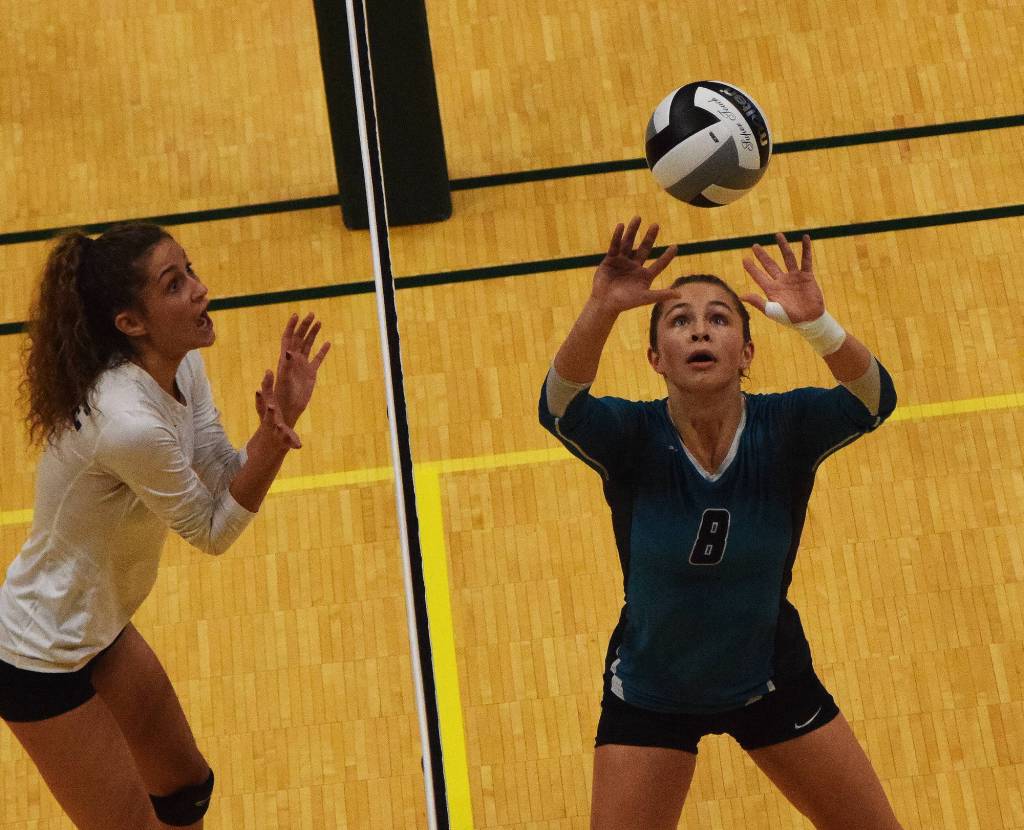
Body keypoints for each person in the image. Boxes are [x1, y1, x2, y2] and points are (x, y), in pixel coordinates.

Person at [539, 217, 902, 829]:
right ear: (656, 357)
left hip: (768, 679)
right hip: (652, 692)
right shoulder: (631, 437)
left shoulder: (787, 429)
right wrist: (601, 309)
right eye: (679, 320)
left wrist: (819, 325)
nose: (699, 329)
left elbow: (874, 400)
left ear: (747, 351)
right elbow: (558, 407)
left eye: (719, 318)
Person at [0, 224, 330, 829]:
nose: (201, 291)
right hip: (38, 658)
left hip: (98, 626)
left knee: (185, 787)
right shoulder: (127, 422)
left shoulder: (181, 369)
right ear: (132, 322)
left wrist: (276, 422)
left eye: (191, 272)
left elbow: (221, 476)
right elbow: (212, 530)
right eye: (175, 285)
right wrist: (274, 448)